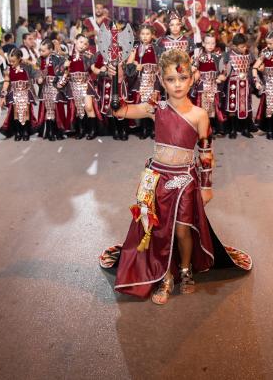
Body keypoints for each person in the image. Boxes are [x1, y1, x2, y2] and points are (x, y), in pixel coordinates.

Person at [99, 49, 252, 304]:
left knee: (182, 230)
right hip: (157, 179)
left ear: (192, 78)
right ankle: (165, 276)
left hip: (184, 182)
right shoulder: (155, 107)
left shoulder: (199, 115)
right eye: (171, 79)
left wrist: (206, 187)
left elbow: (205, 153)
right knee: (158, 230)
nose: (177, 85)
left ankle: (185, 269)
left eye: (182, 79)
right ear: (161, 79)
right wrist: (115, 92)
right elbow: (122, 111)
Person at [126, 25, 161, 140]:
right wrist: (136, 65)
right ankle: (144, 129)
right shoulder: (135, 48)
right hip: (140, 81)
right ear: (139, 35)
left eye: (147, 34)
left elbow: (161, 64)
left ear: (152, 35)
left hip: (153, 80)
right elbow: (128, 64)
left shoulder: (156, 48)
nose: (145, 36)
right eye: (143, 34)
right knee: (141, 104)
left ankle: (154, 129)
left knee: (153, 105)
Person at [61, 35, 99, 140]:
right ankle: (81, 130)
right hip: (74, 85)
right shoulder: (69, 56)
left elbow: (93, 68)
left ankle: (93, 130)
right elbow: (65, 72)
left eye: (85, 43)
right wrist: (65, 66)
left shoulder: (88, 56)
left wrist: (101, 70)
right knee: (79, 109)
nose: (83, 45)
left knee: (89, 107)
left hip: (86, 84)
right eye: (81, 42)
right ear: (75, 41)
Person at [0, 49, 41, 141]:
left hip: (26, 93)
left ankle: (25, 131)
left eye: (13, 61)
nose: (11, 63)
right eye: (9, 61)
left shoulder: (27, 66)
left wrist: (38, 79)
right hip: (14, 93)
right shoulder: (8, 69)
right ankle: (18, 132)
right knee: (16, 114)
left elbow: (37, 71)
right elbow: (6, 82)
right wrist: (3, 95)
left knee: (26, 113)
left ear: (19, 59)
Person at [220, 33, 255, 139]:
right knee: (232, 108)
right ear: (234, 46)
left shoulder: (249, 54)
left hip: (245, 84)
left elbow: (254, 66)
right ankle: (232, 129)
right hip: (232, 85)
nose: (244, 48)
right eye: (242, 47)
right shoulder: (227, 55)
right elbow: (223, 69)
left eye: (245, 46)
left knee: (245, 107)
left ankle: (245, 129)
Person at [35, 38, 68, 141]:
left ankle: (57, 131)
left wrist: (60, 84)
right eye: (40, 50)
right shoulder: (40, 60)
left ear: (50, 50)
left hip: (56, 87)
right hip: (45, 87)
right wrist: (38, 79)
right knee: (49, 109)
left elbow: (65, 73)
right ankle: (49, 132)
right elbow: (37, 73)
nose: (41, 52)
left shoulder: (59, 58)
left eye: (43, 50)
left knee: (57, 109)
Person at [192, 34, 225, 136]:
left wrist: (221, 77)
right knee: (202, 107)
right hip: (202, 85)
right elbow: (193, 68)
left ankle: (213, 128)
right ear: (203, 44)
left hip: (214, 85)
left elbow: (223, 71)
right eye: (208, 43)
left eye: (213, 43)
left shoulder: (219, 56)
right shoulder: (199, 56)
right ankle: (202, 129)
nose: (210, 45)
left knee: (214, 107)